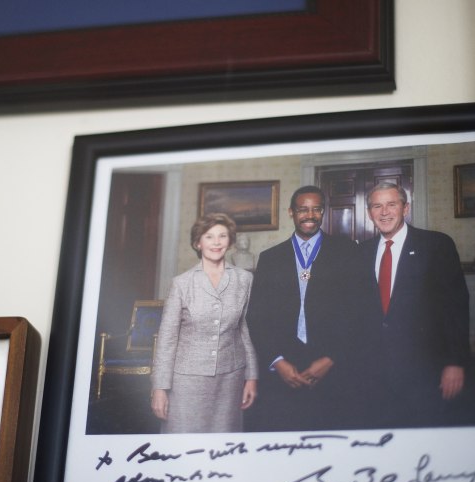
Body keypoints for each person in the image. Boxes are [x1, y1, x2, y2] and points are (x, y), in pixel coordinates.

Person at [356, 182, 470, 428]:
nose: (384, 212)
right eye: (377, 206)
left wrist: (455, 362)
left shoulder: (436, 245)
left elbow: (455, 307)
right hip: (374, 373)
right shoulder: (360, 253)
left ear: (405, 208)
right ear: (369, 213)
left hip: (425, 369)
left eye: (391, 204)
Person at [245, 185, 357, 431]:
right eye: (303, 209)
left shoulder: (347, 252)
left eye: (316, 209)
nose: (310, 215)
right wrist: (277, 361)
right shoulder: (270, 258)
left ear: (323, 212)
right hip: (284, 370)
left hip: (332, 368)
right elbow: (257, 317)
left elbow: (357, 313)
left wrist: (331, 358)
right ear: (291, 213)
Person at [150, 213, 258, 433]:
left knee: (224, 447)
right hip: (187, 383)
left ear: (230, 242)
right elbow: (167, 340)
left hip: (230, 380)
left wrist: (252, 377)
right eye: (209, 237)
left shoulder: (244, 280)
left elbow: (245, 331)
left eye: (222, 236)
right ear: (197, 243)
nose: (216, 242)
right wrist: (159, 388)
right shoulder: (182, 284)